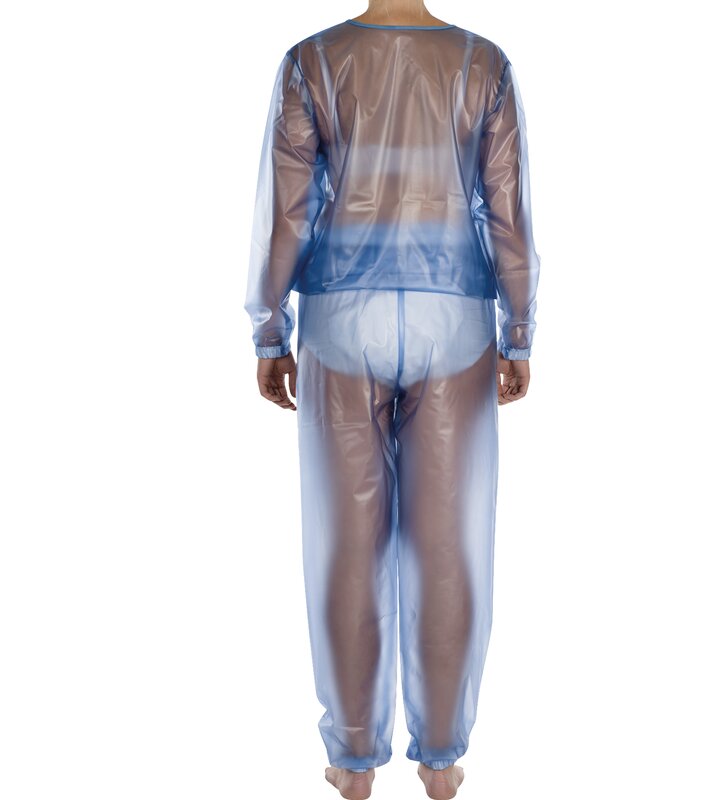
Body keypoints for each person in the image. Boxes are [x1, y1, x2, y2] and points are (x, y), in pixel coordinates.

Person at [243, 3, 541, 798]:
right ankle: (440, 762)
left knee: (346, 546)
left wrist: (270, 330)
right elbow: (507, 211)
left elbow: (287, 210)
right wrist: (518, 330)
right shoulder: (483, 64)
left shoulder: (311, 60)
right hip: (456, 319)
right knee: (447, 548)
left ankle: (352, 763)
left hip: (342, 318)